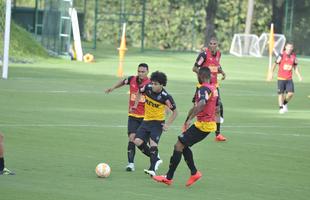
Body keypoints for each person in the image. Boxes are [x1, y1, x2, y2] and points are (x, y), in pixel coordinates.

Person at [152, 67, 217, 187]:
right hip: (206, 125)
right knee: (182, 145)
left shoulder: (203, 88)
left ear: (201, 76)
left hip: (203, 125)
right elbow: (215, 106)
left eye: (197, 74)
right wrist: (188, 120)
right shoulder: (213, 88)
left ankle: (169, 177)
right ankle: (194, 172)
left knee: (178, 145)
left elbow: (202, 104)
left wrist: (191, 118)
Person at [105, 63, 151, 171]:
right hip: (133, 116)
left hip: (146, 117)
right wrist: (113, 88)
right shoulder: (132, 79)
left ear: (147, 72)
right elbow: (123, 82)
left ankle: (154, 158)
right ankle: (131, 164)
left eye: (143, 72)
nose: (140, 73)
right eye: (139, 71)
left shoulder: (150, 84)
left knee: (147, 142)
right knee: (132, 138)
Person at [133, 71, 178, 176]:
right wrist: (136, 104)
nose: (153, 85)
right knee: (137, 141)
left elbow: (175, 112)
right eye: (152, 83)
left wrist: (167, 124)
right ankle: (156, 158)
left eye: (156, 84)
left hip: (157, 123)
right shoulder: (147, 88)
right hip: (146, 121)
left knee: (153, 144)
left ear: (162, 84)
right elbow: (139, 91)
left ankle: (152, 169)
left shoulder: (165, 97)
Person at [192, 37, 227, 141]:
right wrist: (203, 76)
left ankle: (218, 134)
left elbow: (217, 66)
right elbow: (194, 68)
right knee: (198, 106)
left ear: (217, 45)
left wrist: (222, 72)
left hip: (214, 86)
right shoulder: (203, 54)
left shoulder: (219, 54)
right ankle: (188, 124)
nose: (212, 45)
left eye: (214, 43)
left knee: (218, 108)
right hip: (204, 86)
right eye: (210, 43)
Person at [268, 42, 302, 114]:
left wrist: (299, 75)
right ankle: (281, 108)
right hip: (281, 78)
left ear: (292, 48)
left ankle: (284, 103)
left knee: (291, 94)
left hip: (289, 79)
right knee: (281, 94)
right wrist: (271, 73)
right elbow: (274, 64)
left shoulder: (294, 56)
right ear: (285, 47)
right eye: (288, 47)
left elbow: (295, 67)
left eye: (291, 47)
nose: (289, 48)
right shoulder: (281, 55)